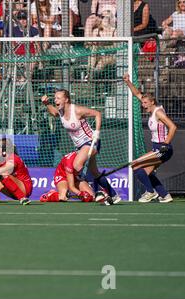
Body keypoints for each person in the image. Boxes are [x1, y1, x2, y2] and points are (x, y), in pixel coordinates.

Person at [41, 89, 121, 204]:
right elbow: (53, 113)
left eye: (58, 98)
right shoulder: (61, 111)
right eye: (55, 98)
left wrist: (97, 133)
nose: (55, 100)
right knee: (95, 173)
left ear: (66, 99)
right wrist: (47, 104)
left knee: (77, 164)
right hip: (80, 146)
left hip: (91, 142)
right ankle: (113, 195)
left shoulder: (77, 110)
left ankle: (99, 192)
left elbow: (97, 114)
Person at [123, 74, 177, 203]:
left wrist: (166, 143)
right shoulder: (151, 108)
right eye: (142, 102)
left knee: (136, 166)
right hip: (158, 148)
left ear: (152, 102)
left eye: (145, 103)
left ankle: (150, 192)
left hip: (162, 148)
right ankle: (164, 194)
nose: (143, 105)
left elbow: (173, 127)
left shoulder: (158, 112)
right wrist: (128, 82)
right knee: (147, 171)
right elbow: (137, 93)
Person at [9, 10, 41, 83]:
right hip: (17, 56)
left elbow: (38, 46)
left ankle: (23, 81)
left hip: (30, 56)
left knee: (33, 61)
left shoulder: (34, 30)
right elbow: (11, 45)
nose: (22, 21)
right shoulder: (13, 30)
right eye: (20, 19)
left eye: (24, 18)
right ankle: (15, 81)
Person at [86, 8, 116, 80]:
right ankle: (91, 72)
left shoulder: (114, 31)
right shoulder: (96, 31)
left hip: (111, 55)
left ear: (111, 18)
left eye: (107, 17)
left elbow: (116, 47)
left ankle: (90, 74)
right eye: (102, 17)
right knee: (93, 51)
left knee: (101, 62)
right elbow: (91, 45)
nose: (105, 19)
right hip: (98, 55)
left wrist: (102, 48)